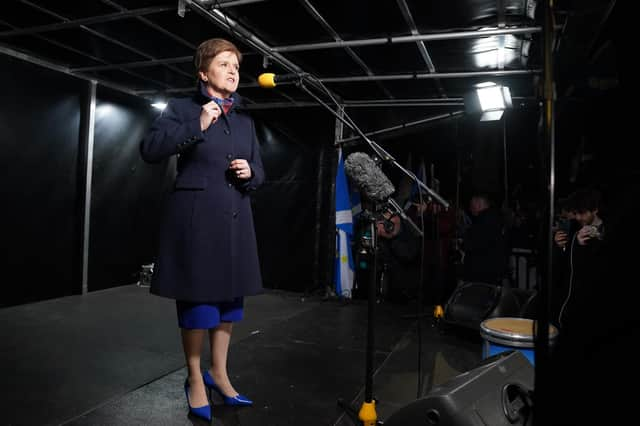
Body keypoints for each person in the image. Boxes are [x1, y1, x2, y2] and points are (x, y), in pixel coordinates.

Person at [140, 38, 265, 421]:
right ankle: (195, 378)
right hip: (195, 222)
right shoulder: (181, 109)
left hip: (234, 221)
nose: (233, 71)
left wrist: (251, 174)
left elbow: (261, 172)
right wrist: (198, 124)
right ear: (203, 72)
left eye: (237, 66)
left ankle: (219, 373)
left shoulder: (244, 119)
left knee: (229, 304)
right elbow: (150, 149)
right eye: (225, 63)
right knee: (199, 306)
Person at [460, 193, 507, 285]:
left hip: (481, 272)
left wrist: (463, 242)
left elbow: (472, 243)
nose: (470, 209)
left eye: (472, 206)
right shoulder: (494, 218)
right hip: (491, 270)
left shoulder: (482, 222)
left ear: (479, 204)